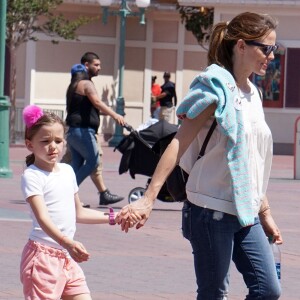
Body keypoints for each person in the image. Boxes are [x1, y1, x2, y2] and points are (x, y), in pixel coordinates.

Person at [117, 12, 282, 299]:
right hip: (210, 209)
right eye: (266, 48)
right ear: (241, 46)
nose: (271, 56)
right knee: (214, 293)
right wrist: (148, 198)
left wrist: (264, 211)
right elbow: (178, 144)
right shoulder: (214, 90)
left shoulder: (253, 93)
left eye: (274, 49)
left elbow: (251, 159)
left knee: (268, 290)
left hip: (246, 211)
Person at [20, 105, 122, 299]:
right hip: (43, 260)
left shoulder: (67, 171)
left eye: (58, 141)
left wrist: (115, 217)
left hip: (67, 257)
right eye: (45, 141)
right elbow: (43, 218)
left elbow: (79, 212)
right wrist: (67, 242)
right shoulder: (32, 176)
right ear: (29, 144)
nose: (53, 146)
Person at [64, 52, 125, 207]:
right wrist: (115, 115)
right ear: (86, 65)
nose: (99, 68)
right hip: (83, 131)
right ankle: (67, 195)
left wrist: (108, 112)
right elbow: (97, 102)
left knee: (76, 165)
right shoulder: (86, 84)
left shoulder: (74, 86)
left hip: (73, 131)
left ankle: (69, 197)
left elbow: (92, 107)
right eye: (96, 65)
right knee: (93, 161)